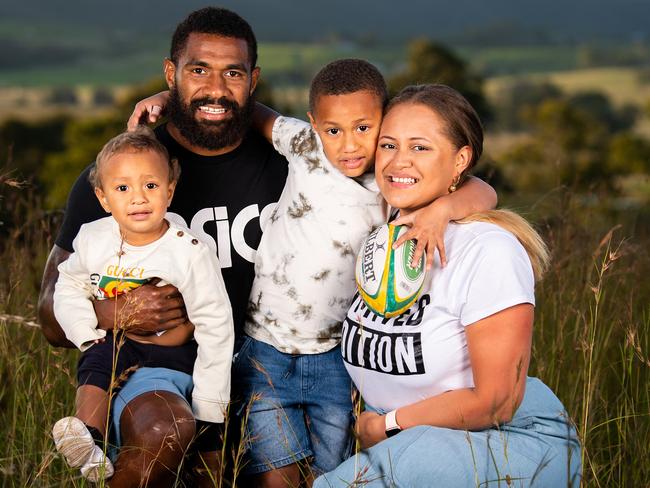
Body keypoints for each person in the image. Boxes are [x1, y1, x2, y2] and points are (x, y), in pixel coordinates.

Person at [131, 61, 498, 487]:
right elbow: (248, 110)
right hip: (264, 350)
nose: (348, 145)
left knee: (333, 478)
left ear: (385, 119)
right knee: (275, 477)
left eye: (365, 128)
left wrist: (441, 212)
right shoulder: (305, 145)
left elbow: (483, 191)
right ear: (314, 124)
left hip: (338, 361)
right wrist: (168, 102)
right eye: (334, 130)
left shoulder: (393, 183)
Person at [38, 7, 288, 486]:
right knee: (163, 428)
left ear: (253, 80)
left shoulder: (288, 170)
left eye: (232, 73)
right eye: (198, 71)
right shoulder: (123, 178)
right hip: (149, 368)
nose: (216, 89)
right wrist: (120, 313)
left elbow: (365, 149)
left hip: (265, 372)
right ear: (171, 74)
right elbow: (50, 315)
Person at [313, 84, 582, 487]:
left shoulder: (488, 250)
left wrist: (386, 425)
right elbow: (480, 189)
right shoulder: (389, 217)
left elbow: (498, 402)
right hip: (411, 439)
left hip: (504, 438)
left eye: (420, 147)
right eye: (388, 145)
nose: (397, 162)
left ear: (461, 159)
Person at [50, 128, 234, 482]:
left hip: (169, 354)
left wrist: (211, 408)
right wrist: (85, 332)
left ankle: (100, 445)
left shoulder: (188, 250)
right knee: (98, 358)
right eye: (123, 189)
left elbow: (215, 322)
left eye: (150, 186)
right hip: (115, 341)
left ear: (170, 190)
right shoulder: (93, 238)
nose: (138, 198)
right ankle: (90, 439)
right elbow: (68, 284)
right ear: (103, 198)